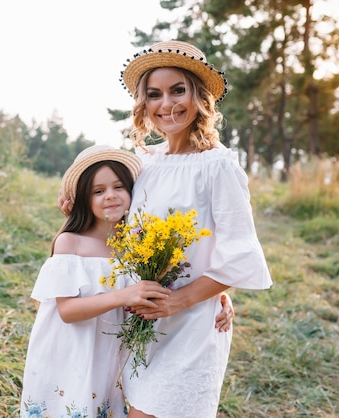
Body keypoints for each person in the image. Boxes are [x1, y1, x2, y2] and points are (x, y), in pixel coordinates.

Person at [113, 40, 273, 417]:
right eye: (154, 94)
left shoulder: (218, 166)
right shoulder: (144, 163)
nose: (166, 104)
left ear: (199, 96)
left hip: (193, 325)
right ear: (144, 104)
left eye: (178, 90)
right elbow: (116, 222)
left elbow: (240, 254)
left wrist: (187, 299)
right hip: (139, 317)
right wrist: (72, 199)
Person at [19, 145, 172, 417]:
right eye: (98, 191)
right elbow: (67, 311)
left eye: (118, 187)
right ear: (83, 199)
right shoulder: (70, 243)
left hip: (110, 355)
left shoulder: (138, 248)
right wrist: (125, 295)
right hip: (72, 352)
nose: (110, 196)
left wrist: (221, 296)